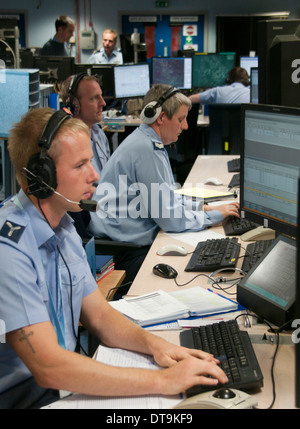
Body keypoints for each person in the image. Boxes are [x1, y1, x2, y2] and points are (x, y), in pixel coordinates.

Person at [0, 107, 228, 409]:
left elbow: (100, 316)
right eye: (80, 165)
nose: (95, 176)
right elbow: (48, 367)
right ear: (40, 176)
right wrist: (164, 381)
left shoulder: (63, 227)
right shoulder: (9, 248)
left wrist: (158, 347)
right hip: (23, 397)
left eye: (91, 161)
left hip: (60, 385)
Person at [88, 84, 240, 289]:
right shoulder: (146, 149)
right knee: (194, 280)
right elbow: (170, 220)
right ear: (159, 117)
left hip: (127, 242)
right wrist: (214, 217)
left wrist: (203, 207)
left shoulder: (148, 142)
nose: (185, 126)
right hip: (125, 252)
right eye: (180, 119)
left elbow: (167, 197)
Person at [61, 73, 110, 180]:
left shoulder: (99, 134)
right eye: (94, 98)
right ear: (74, 105)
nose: (103, 103)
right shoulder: (66, 143)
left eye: (101, 96)